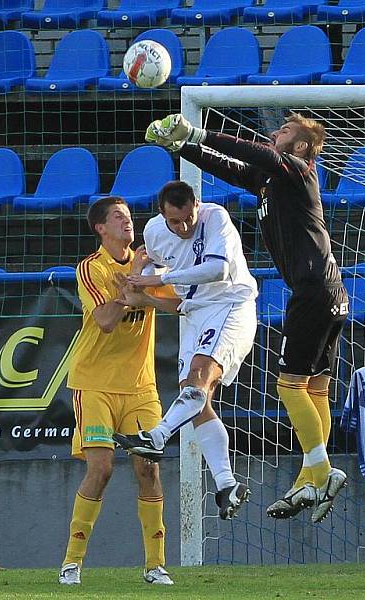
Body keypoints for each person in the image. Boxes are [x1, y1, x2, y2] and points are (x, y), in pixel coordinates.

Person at [143, 112, 350, 524]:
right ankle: (308, 479)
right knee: (315, 390)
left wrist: (201, 132)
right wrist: (184, 147)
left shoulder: (300, 171)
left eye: (286, 132)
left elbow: (254, 152)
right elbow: (231, 166)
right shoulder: (271, 182)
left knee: (289, 386)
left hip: (312, 291)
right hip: (329, 292)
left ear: (302, 147)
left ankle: (324, 473)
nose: (276, 134)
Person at [112, 180, 256, 521]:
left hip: (230, 304)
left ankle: (158, 436)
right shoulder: (155, 232)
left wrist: (157, 280)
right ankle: (227, 484)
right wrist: (138, 278)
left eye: (188, 218)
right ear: (163, 215)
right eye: (175, 222)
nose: (183, 227)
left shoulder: (215, 218)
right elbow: (154, 270)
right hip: (193, 312)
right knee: (195, 399)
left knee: (198, 380)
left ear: (196, 205)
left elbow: (217, 269)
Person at [59, 196, 179, 586]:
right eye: (118, 217)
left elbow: (179, 305)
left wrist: (143, 288)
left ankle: (155, 566)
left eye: (129, 216)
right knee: (102, 469)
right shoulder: (91, 268)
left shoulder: (151, 262)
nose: (128, 223)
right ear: (101, 228)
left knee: (148, 468)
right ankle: (72, 563)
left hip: (140, 386)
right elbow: (107, 321)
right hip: (93, 383)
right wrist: (128, 291)